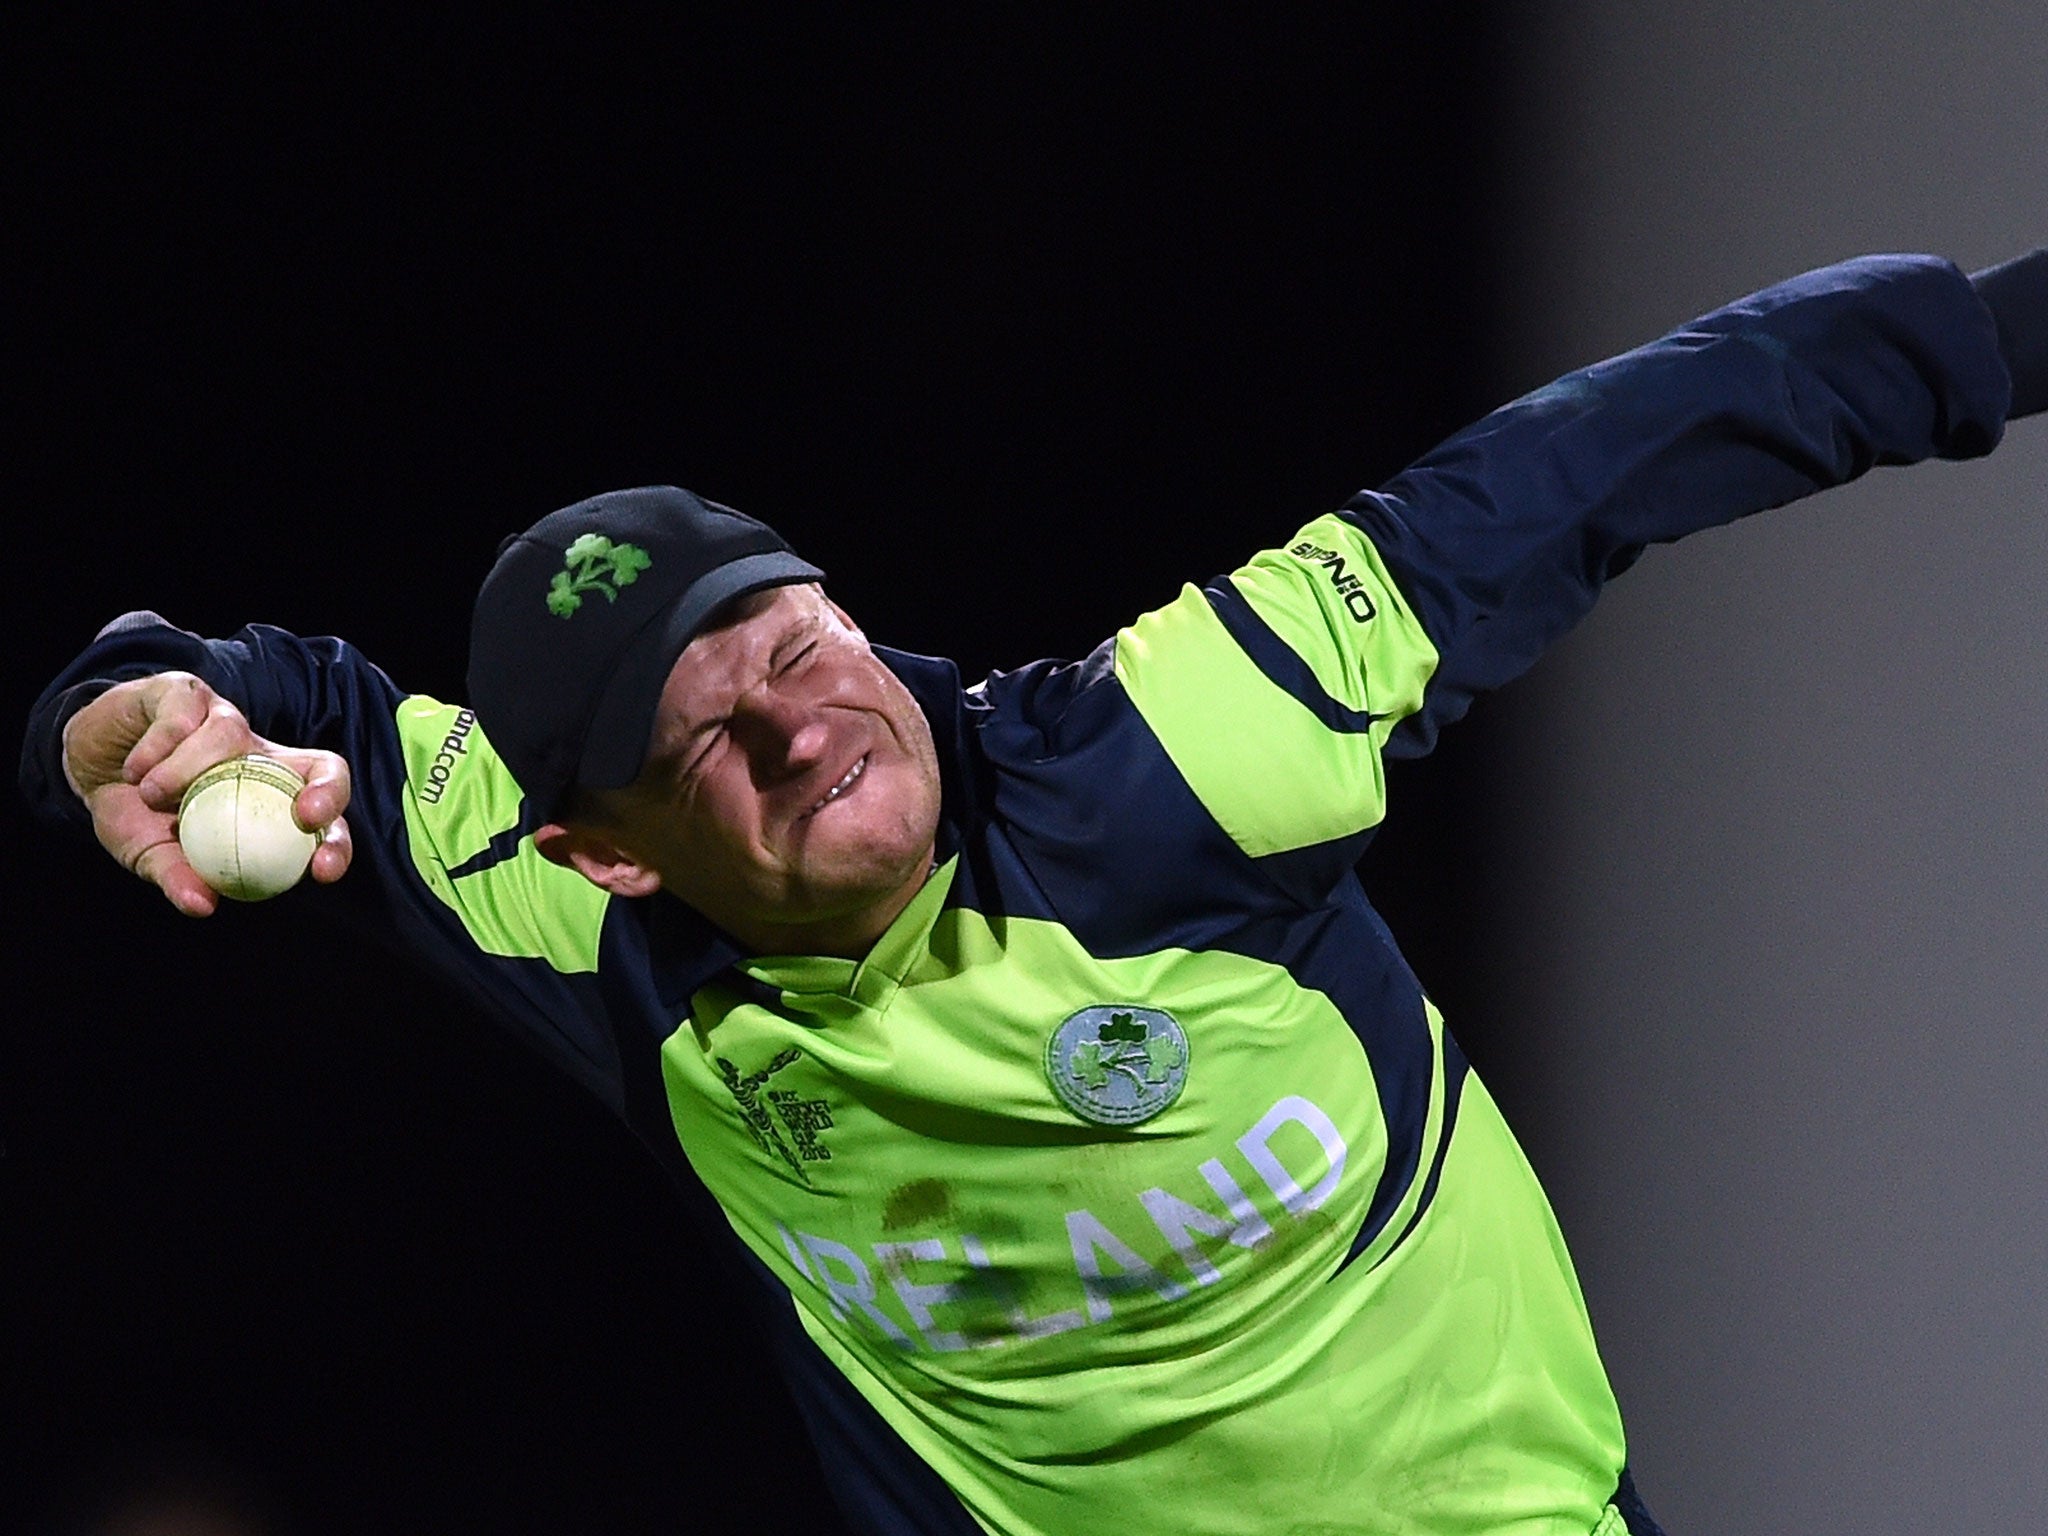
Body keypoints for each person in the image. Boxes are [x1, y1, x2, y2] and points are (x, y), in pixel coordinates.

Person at [23, 249, 2047, 1536]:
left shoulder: (1175, 754)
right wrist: (114, 717)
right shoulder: (584, 921)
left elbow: (1618, 450)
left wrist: (1999, 334)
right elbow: (279, 707)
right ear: (606, 844)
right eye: (702, 730)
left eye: (794, 641)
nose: (802, 725)